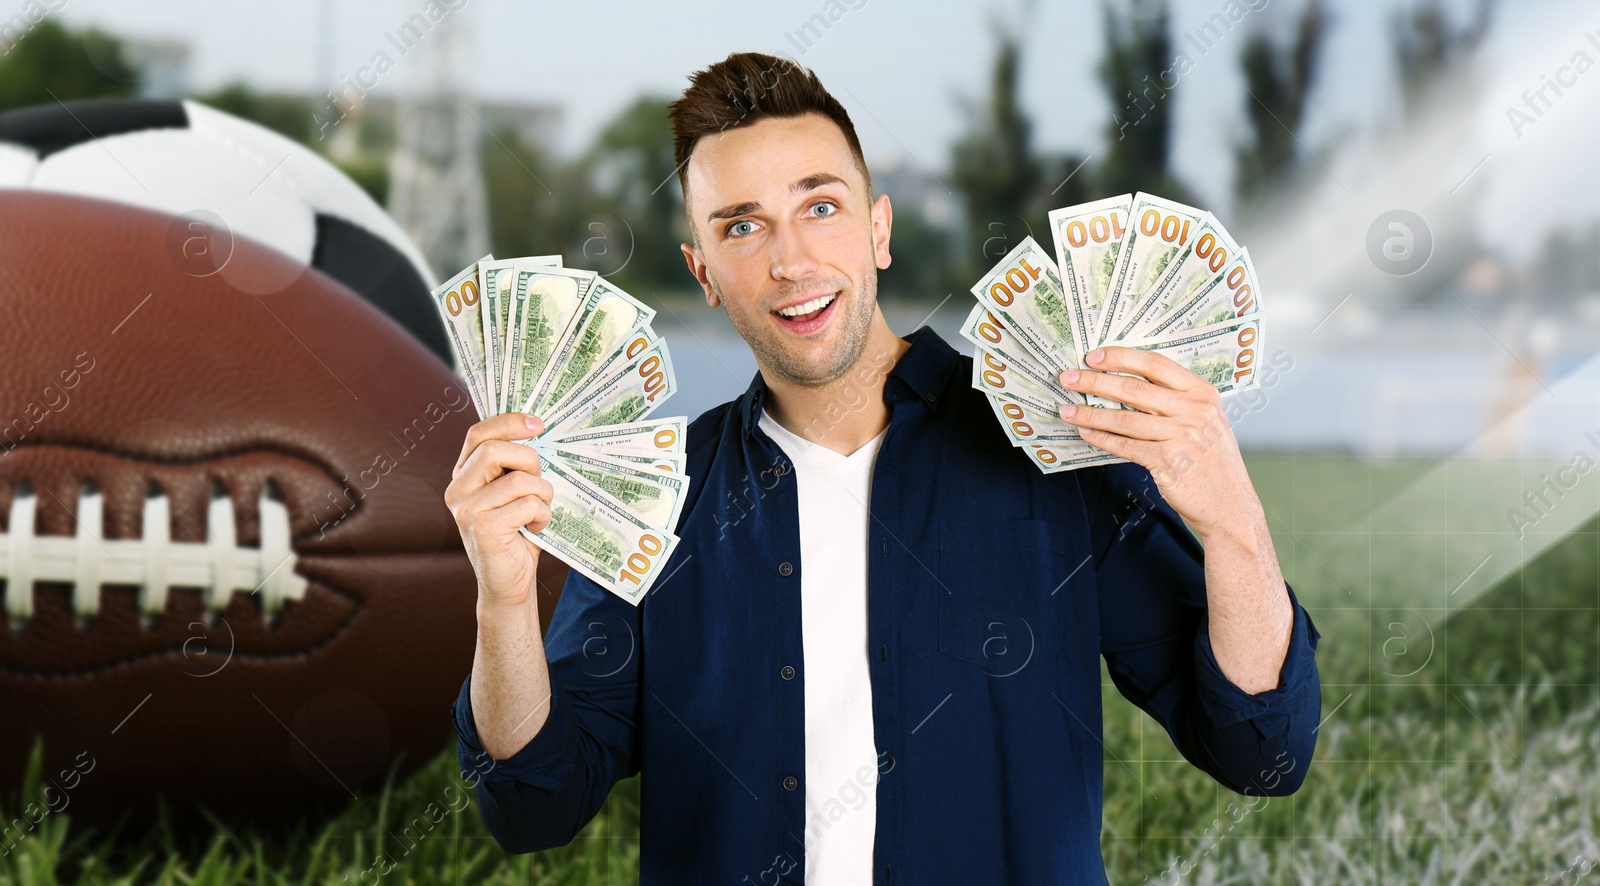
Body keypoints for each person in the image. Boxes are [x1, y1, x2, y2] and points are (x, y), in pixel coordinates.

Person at [444, 51, 1320, 885]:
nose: (790, 261)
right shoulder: (657, 496)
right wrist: (506, 598)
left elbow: (1261, 750)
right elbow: (531, 805)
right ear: (703, 272)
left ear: (879, 230)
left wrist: (1232, 519)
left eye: (818, 206)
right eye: (741, 226)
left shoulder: (1056, 452)